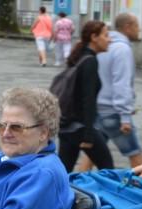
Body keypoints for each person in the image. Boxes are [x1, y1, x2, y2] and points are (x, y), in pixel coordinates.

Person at [80, 13, 142, 171]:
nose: (139, 29)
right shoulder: (122, 49)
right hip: (114, 112)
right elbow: (121, 83)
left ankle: (76, 188)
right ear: (127, 27)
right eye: (137, 25)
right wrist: (125, 115)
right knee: (135, 155)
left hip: (98, 110)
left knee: (92, 155)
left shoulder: (104, 46)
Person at [58, 20, 115, 173]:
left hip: (67, 128)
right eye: (106, 35)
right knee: (108, 170)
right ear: (94, 37)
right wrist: (88, 135)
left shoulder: (79, 58)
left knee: (64, 174)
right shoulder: (90, 61)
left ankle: (58, 197)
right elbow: (88, 100)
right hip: (81, 128)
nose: (110, 39)